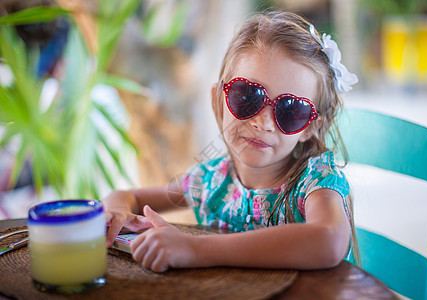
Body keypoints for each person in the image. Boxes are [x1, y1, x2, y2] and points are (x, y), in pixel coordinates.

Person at [103, 10, 359, 273]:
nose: (263, 122)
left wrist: (195, 249)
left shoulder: (314, 184)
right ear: (219, 101)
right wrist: (117, 212)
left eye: (290, 110)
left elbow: (328, 241)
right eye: (248, 95)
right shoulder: (210, 180)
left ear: (310, 127)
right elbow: (127, 196)